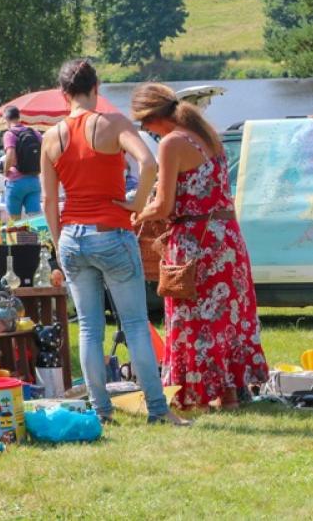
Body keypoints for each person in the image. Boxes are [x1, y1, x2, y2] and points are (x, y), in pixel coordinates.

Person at [41, 59, 186, 426]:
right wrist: (137, 205)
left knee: (89, 327)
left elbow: (47, 200)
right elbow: (148, 163)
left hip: (73, 236)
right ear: (97, 88)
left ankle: (101, 410)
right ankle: (157, 409)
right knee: (135, 323)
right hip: (111, 232)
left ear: (63, 94)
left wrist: (60, 243)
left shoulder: (50, 137)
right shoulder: (113, 123)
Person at [131, 82, 269, 410]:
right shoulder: (208, 135)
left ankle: (196, 396)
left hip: (196, 242)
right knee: (227, 318)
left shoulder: (171, 143)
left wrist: (134, 213)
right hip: (227, 239)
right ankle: (230, 394)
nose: (145, 130)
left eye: (143, 124)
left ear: (154, 117)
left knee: (193, 319)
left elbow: (164, 206)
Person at [2, 106, 42, 217]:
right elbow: (44, 151)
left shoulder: (10, 134)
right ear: (19, 117)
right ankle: (32, 235)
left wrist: (5, 172)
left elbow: (10, 154)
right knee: (34, 219)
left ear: (6, 119)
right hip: (34, 181)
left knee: (16, 222)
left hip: (16, 182)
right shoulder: (34, 133)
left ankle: (20, 234)